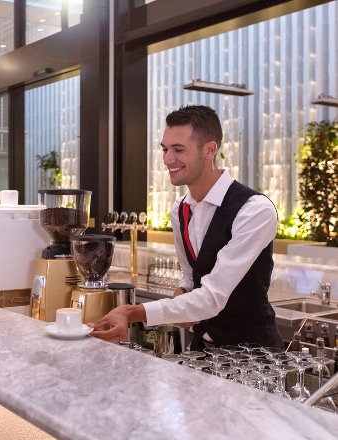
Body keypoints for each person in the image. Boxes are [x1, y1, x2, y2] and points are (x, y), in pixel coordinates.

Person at [90, 105, 283, 350]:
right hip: (202, 348)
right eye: (165, 149)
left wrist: (132, 312)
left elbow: (212, 297)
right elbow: (192, 274)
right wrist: (183, 289)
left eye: (178, 150)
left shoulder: (255, 210)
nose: (167, 159)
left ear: (209, 150)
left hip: (254, 356)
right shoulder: (179, 210)